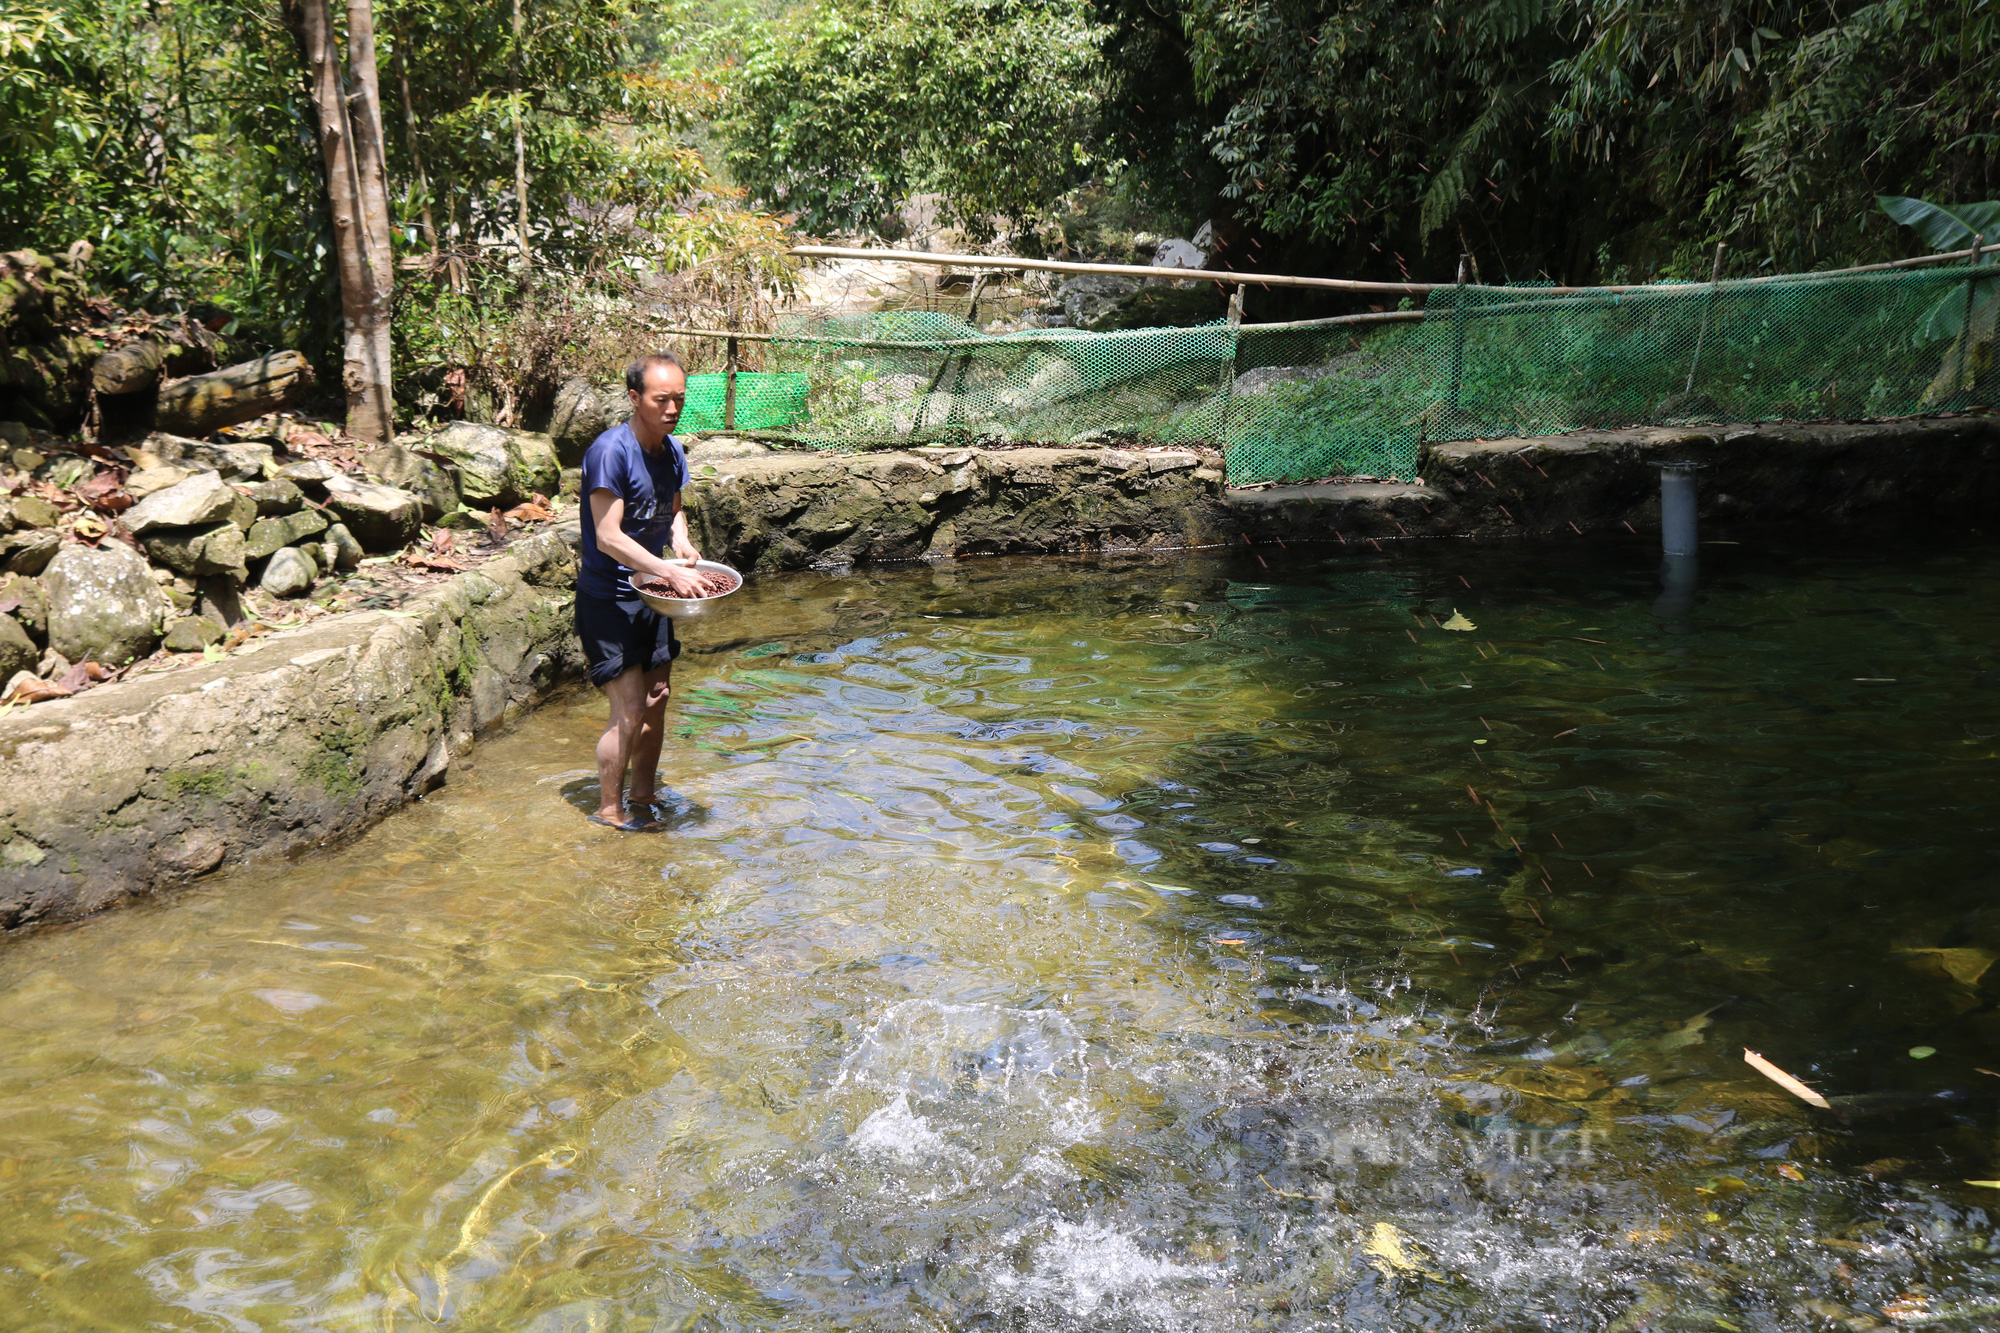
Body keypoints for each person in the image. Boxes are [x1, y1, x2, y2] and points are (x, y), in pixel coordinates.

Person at [575, 351, 725, 829]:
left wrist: (679, 540)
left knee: (658, 696)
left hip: (654, 594)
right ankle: (609, 809)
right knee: (630, 705)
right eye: (662, 399)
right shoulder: (610, 451)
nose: (672, 409)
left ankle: (643, 797)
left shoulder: (673, 449)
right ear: (635, 397)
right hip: (609, 598)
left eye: (679, 399)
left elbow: (673, 506)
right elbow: (608, 536)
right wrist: (671, 571)